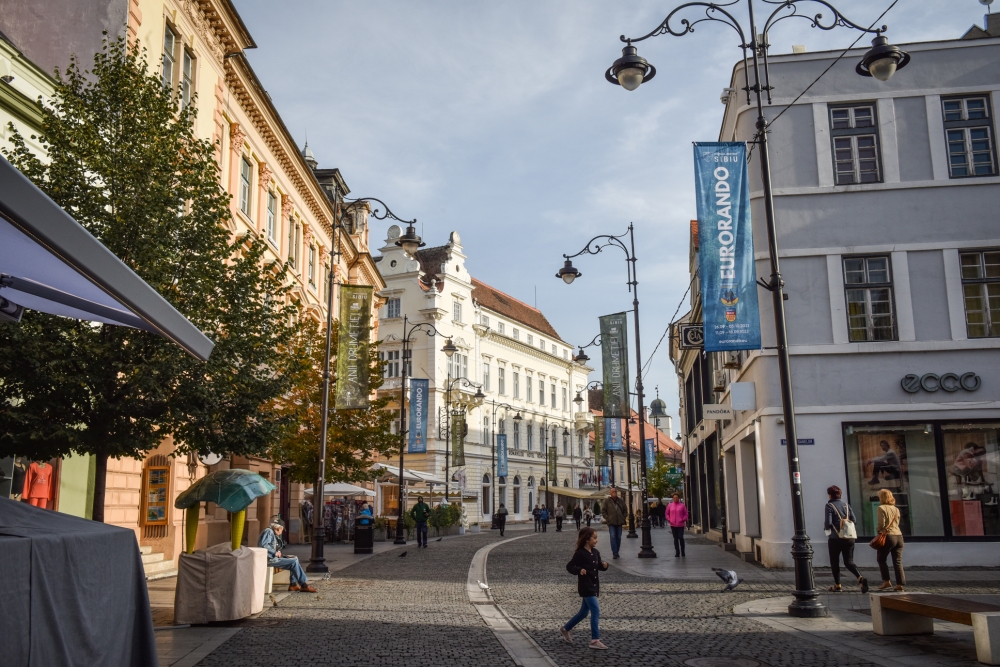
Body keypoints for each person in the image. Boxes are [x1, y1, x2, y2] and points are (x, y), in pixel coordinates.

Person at [559, 527, 609, 650]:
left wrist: (604, 566)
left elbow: (597, 566)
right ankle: (595, 640)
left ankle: (565, 628)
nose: (596, 540)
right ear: (587, 539)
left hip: (594, 585)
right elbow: (570, 566)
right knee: (595, 610)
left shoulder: (595, 552)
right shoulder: (580, 553)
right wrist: (579, 570)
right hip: (585, 586)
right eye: (594, 538)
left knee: (583, 613)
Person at [824, 485, 867, 593]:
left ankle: (838, 585)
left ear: (830, 495)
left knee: (834, 562)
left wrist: (827, 529)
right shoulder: (847, 505)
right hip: (849, 538)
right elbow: (854, 520)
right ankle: (860, 578)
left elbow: (828, 523)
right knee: (849, 561)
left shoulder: (829, 505)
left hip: (835, 538)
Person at [258, 519, 316, 593]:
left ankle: (293, 584)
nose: (282, 532)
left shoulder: (272, 533)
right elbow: (264, 545)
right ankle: (303, 585)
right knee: (293, 562)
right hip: (269, 559)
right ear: (279, 528)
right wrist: (275, 553)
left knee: (294, 558)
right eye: (282, 530)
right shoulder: (268, 531)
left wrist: (278, 551)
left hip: (272, 558)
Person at [875, 488, 905, 591]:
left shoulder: (881, 508)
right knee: (897, 561)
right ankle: (900, 584)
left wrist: (878, 530)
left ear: (882, 497)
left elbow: (881, 524)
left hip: (888, 536)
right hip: (899, 536)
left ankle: (886, 581)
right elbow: (897, 522)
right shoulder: (896, 509)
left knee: (881, 559)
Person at [602, 488, 628, 559]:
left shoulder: (620, 501)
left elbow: (625, 510)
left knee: (618, 537)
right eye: (613, 491)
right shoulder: (607, 501)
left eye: (615, 491)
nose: (614, 492)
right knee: (613, 536)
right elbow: (603, 511)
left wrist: (623, 517)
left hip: (619, 522)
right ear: (610, 493)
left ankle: (617, 551)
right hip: (611, 522)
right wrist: (607, 518)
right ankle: (615, 553)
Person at [666, 493, 688, 558]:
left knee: (681, 537)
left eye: (676, 497)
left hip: (680, 524)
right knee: (675, 538)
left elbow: (686, 514)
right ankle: (677, 552)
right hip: (673, 525)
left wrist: (683, 519)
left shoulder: (682, 505)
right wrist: (669, 519)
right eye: (674, 498)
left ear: (679, 498)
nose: (675, 499)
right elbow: (667, 513)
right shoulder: (670, 505)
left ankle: (683, 551)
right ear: (673, 498)